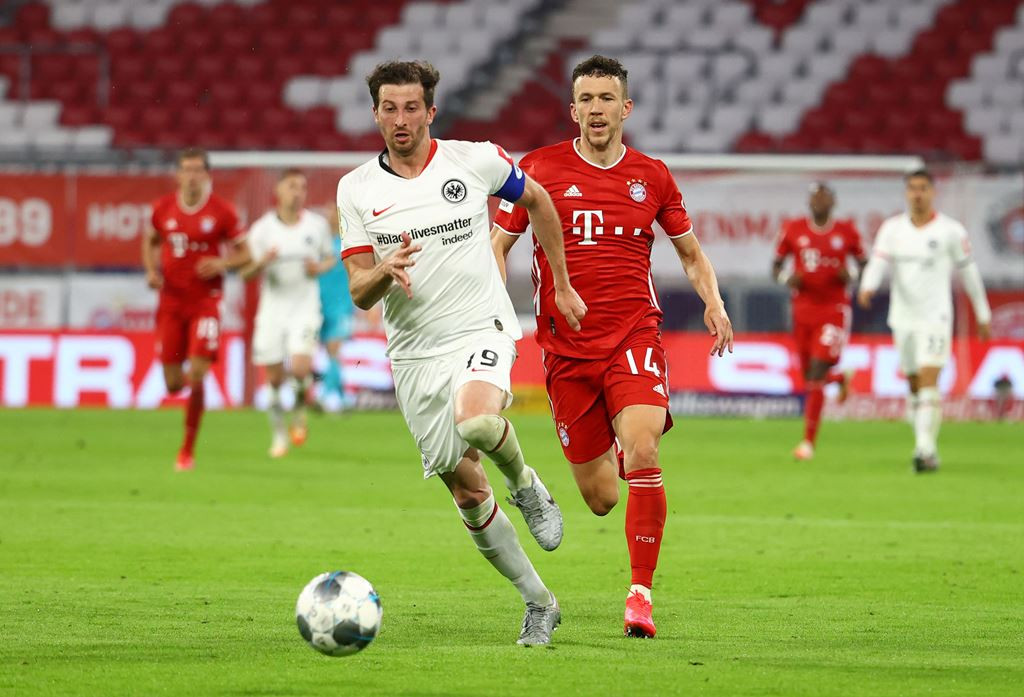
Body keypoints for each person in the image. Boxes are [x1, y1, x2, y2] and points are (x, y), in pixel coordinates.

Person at [337, 60, 587, 646]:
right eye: (389, 109)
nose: (401, 120)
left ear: (431, 110)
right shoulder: (356, 189)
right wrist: (383, 269)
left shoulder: (474, 160)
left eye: (411, 108)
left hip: (481, 325)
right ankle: (539, 601)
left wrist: (564, 282)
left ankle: (526, 485)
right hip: (414, 355)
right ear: (375, 113)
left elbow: (541, 203)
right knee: (468, 492)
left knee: (477, 419)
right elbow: (357, 290)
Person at [491, 55, 733, 639]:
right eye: (586, 99)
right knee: (600, 498)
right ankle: (617, 449)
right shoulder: (537, 169)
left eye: (607, 99)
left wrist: (714, 301)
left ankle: (640, 596)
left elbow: (691, 253)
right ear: (571, 109)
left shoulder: (652, 176)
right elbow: (497, 246)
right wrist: (495, 315)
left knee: (645, 448)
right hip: (566, 353)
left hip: (633, 335)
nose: (596, 109)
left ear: (625, 108)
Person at [858, 169, 991, 473]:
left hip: (936, 317)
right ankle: (924, 441)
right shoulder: (892, 229)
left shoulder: (950, 231)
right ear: (906, 193)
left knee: (929, 380)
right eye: (913, 188)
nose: (917, 193)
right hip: (902, 318)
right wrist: (868, 285)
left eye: (923, 188)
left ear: (932, 192)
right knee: (916, 384)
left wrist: (983, 313)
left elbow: (969, 273)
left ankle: (925, 450)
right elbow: (878, 262)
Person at [142, 147, 250, 471]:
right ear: (177, 174)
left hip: (206, 302)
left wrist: (223, 262)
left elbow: (246, 254)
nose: (191, 176)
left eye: (197, 170)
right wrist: (151, 271)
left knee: (199, 373)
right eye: (186, 170)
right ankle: (190, 399)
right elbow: (150, 240)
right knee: (174, 383)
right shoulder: (162, 209)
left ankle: (186, 450)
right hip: (171, 304)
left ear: (206, 175)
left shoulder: (222, 212)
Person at [243, 168, 336, 457]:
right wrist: (262, 262)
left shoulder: (316, 226)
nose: (298, 192)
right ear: (279, 191)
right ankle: (279, 435)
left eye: (302, 187)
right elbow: (245, 274)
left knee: (298, 368)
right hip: (272, 310)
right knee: (273, 380)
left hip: (305, 308)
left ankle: (298, 411)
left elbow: (331, 257)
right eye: (292, 186)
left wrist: (318, 268)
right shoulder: (262, 230)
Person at [772, 182, 866, 461]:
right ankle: (838, 378)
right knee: (810, 377)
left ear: (833, 202)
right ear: (809, 201)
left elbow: (864, 263)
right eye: (815, 196)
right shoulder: (793, 229)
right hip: (802, 309)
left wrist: (851, 274)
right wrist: (786, 278)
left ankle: (807, 443)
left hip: (834, 310)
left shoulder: (846, 231)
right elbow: (775, 267)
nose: (819, 201)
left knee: (816, 369)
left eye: (824, 196)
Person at [318, 205, 356, 411]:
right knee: (329, 352)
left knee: (333, 350)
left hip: (341, 307)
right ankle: (343, 397)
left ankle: (323, 395)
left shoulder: (348, 244)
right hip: (320, 306)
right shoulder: (321, 246)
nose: (333, 219)